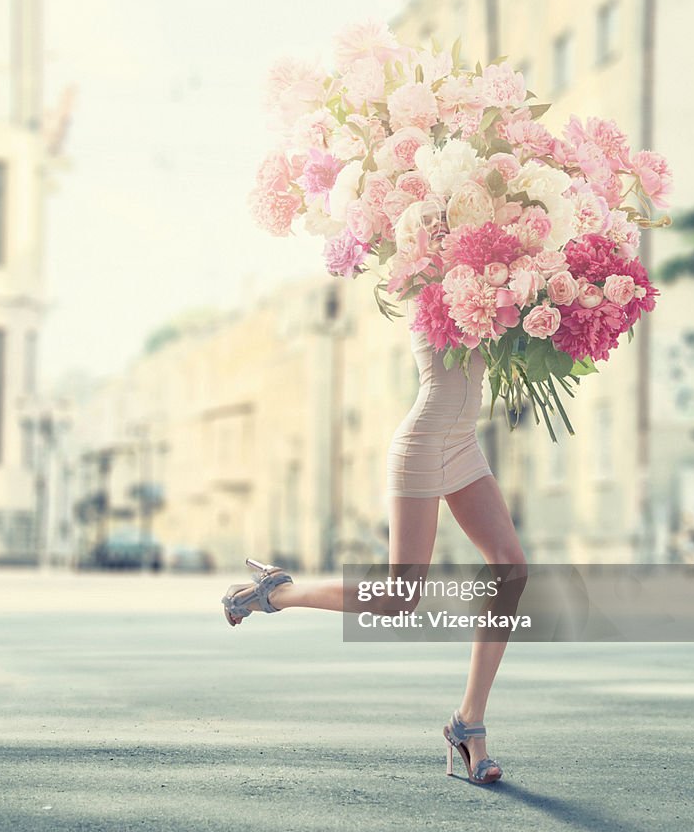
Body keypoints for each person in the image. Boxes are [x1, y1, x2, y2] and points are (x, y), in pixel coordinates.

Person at [222, 298, 528, 786]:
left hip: (463, 442)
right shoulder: (429, 272)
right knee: (398, 599)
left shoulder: (504, 263)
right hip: (423, 443)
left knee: (510, 567)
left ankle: (468, 724)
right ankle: (277, 592)